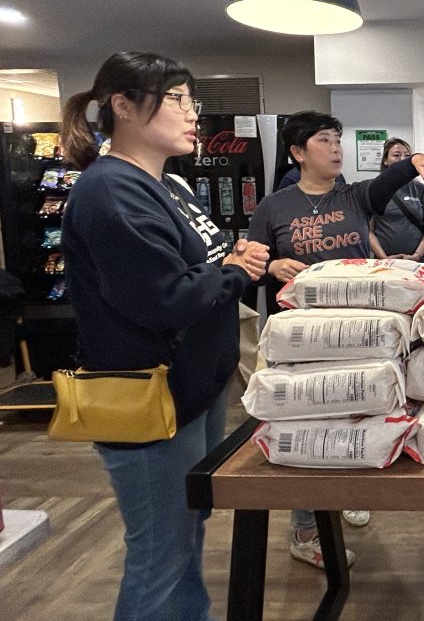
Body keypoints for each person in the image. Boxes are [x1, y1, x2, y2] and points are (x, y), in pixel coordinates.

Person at [59, 52, 270, 621]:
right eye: (176, 99)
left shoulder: (168, 183)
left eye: (189, 100)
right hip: (149, 397)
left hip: (192, 388)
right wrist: (236, 271)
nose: (191, 113)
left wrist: (233, 260)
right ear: (122, 106)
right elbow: (165, 300)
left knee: (187, 534)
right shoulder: (110, 191)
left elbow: (199, 262)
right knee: (160, 551)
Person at [247, 111, 424, 570]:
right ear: (298, 152)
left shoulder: (356, 196)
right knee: (307, 425)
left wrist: (421, 162)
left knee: (353, 417)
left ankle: (344, 494)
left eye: (338, 139)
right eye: (324, 140)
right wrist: (270, 268)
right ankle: (306, 529)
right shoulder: (274, 207)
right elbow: (251, 262)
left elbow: (391, 180)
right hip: (301, 341)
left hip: (359, 337)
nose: (336, 147)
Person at [368, 137, 424, 261]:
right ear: (385, 160)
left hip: (418, 261)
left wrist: (416, 255)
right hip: (385, 262)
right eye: (396, 155)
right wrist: (384, 258)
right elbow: (369, 231)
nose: (402, 159)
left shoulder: (422, 190)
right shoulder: (374, 189)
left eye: (407, 156)